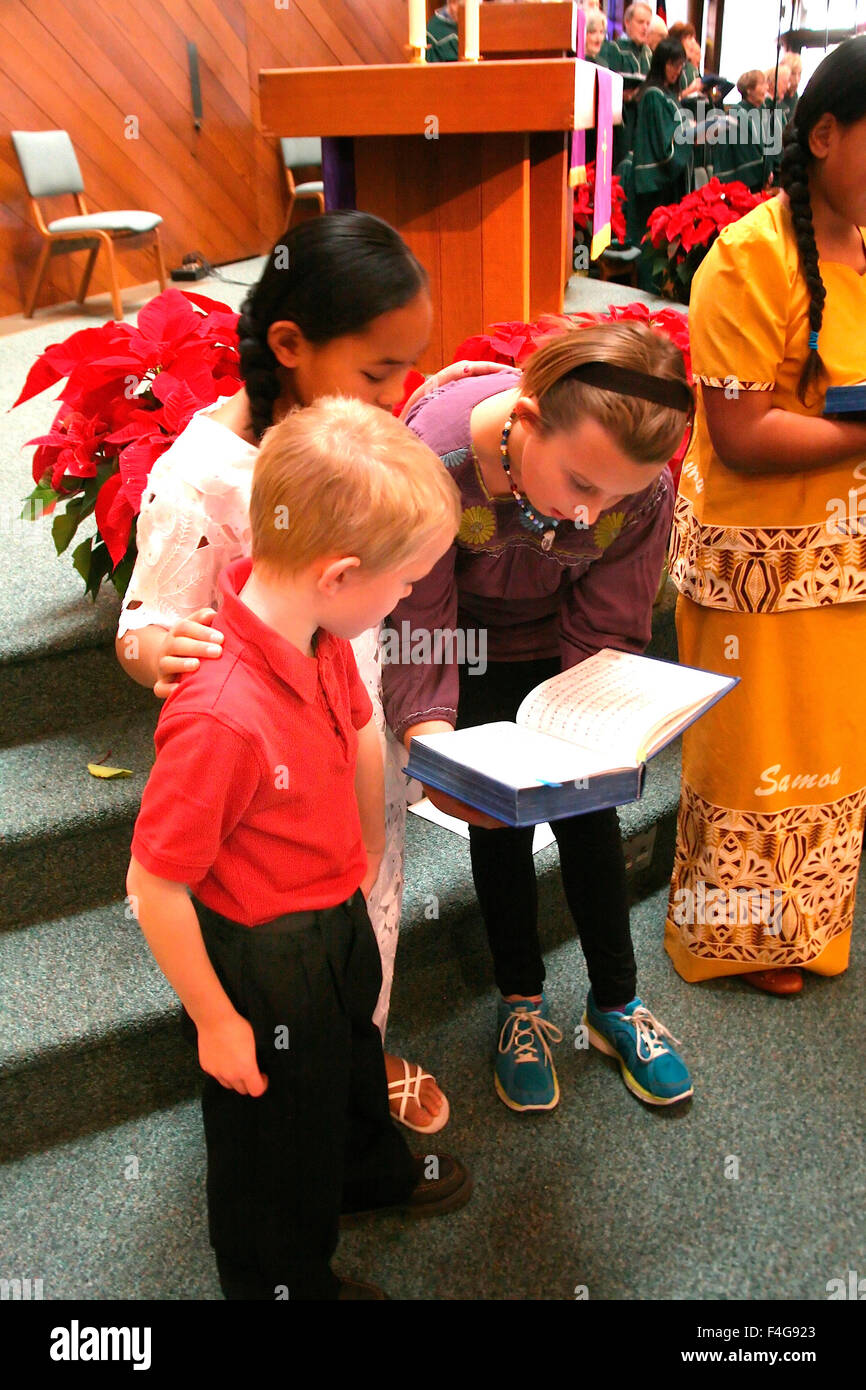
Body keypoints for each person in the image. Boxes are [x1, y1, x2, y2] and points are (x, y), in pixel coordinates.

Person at [115, 209, 507, 1134]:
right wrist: (152, 647)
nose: (399, 392)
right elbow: (147, 621)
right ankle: (283, 1080)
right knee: (284, 955)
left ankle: (355, 1048)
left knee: (367, 911)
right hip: (265, 768)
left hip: (352, 723)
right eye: (379, 371)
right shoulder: (207, 475)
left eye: (411, 367)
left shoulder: (360, 440)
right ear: (289, 344)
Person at [127, 398, 469, 1300]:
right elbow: (154, 885)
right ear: (342, 572)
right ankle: (278, 1278)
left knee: (347, 1058)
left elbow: (357, 727)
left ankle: (358, 1172)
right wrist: (215, 1020)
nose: (404, 601)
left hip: (332, 915)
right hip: (263, 956)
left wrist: (359, 854)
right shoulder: (218, 716)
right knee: (272, 1142)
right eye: (402, 585)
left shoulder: (315, 631)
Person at [383, 322, 696, 1112]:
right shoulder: (436, 460)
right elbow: (418, 612)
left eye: (620, 495)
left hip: (566, 649)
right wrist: (430, 738)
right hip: (462, 646)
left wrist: (589, 727)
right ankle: (520, 1003)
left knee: (592, 812)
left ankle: (616, 1004)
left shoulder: (640, 488)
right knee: (500, 825)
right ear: (523, 417)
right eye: (582, 485)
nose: (594, 515)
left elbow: (610, 620)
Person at [665, 37, 866, 995]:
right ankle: (737, 940)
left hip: (847, 563)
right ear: (823, 134)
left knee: (831, 760)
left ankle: (811, 926)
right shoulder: (746, 261)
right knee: (755, 765)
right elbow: (741, 433)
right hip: (756, 570)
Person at [622, 38, 692, 273]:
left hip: (666, 183)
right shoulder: (653, 95)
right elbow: (663, 142)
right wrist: (688, 135)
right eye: (673, 64)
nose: (677, 70)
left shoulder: (668, 95)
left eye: (681, 65)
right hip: (655, 183)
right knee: (651, 243)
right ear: (662, 62)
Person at [601, 2, 653, 164]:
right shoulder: (614, 49)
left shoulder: (649, 54)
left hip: (642, 121)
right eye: (640, 22)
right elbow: (604, 86)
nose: (645, 27)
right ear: (627, 22)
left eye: (648, 23)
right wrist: (621, 94)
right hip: (621, 122)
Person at [714, 69, 771, 192]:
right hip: (744, 184)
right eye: (762, 84)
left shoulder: (760, 112)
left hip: (761, 180)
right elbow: (747, 152)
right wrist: (765, 172)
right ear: (749, 89)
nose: (767, 87)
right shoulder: (737, 113)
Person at [668, 21, 704, 98]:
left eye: (694, 38)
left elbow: (700, 105)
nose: (693, 42)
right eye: (689, 38)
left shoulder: (691, 68)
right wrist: (688, 92)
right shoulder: (670, 67)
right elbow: (667, 100)